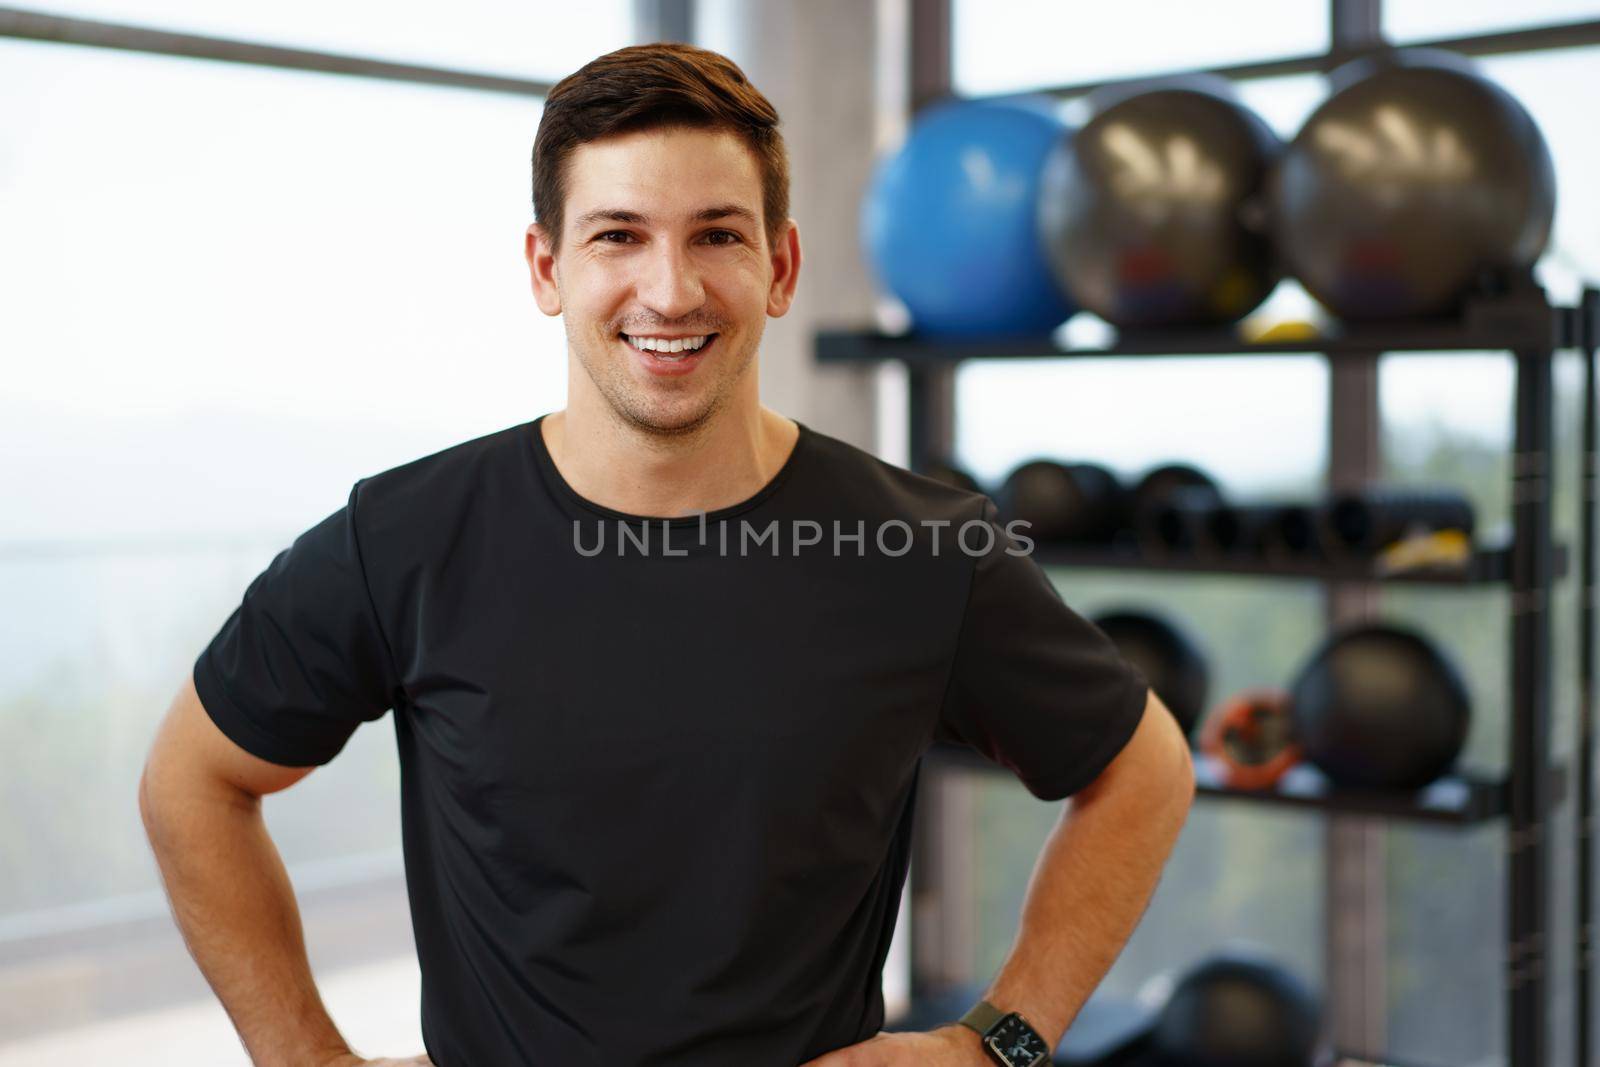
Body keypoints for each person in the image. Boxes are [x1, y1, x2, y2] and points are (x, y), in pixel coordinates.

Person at [138, 42, 1194, 1067]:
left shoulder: (920, 548)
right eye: (619, 237)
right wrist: (306, 1056)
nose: (672, 290)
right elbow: (194, 778)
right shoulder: (405, 537)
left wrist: (996, 1041)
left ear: (779, 267)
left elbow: (1141, 769)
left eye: (717, 236)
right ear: (547, 267)